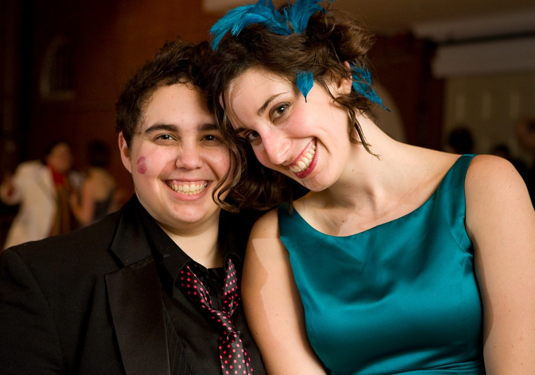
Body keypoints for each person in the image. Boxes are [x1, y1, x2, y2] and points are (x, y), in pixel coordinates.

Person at [206, 1, 535, 374]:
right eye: (251, 135)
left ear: (338, 76)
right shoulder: (274, 241)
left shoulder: (485, 185)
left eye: (280, 109)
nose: (275, 152)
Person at [0, 39, 265, 375]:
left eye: (211, 137)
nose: (189, 160)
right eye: (165, 137)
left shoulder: (286, 252)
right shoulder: (43, 280)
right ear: (126, 149)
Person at [0, 140, 82, 249]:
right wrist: (10, 189)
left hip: (61, 242)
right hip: (32, 237)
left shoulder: (75, 180)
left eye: (67, 154)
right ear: (48, 157)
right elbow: (13, 195)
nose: (65, 158)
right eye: (60, 154)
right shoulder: (32, 172)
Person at [70, 140, 117, 226]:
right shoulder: (110, 180)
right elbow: (112, 210)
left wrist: (74, 205)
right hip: (106, 229)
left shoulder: (90, 183)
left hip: (92, 232)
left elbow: (86, 218)